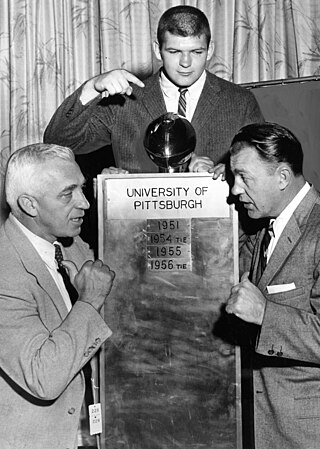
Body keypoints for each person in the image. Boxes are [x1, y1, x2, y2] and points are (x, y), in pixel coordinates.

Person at [43, 5, 264, 175]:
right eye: (174, 51)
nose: (185, 63)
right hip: (141, 231)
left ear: (210, 50)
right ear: (158, 50)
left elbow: (262, 166)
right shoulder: (125, 101)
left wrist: (233, 173)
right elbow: (60, 142)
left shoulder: (240, 101)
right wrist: (92, 87)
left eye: (196, 52)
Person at [0, 143, 115, 449]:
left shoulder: (73, 246)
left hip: (89, 434)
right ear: (29, 204)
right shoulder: (3, 269)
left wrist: (123, 199)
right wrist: (89, 301)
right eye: (68, 194)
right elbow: (43, 378)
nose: (85, 203)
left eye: (82, 188)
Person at [225, 122, 320, 449]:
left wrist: (266, 314)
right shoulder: (266, 229)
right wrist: (201, 193)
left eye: (243, 178)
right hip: (271, 428)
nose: (235, 189)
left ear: (281, 177)